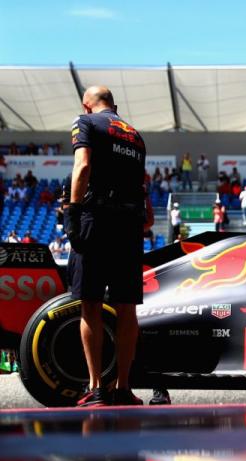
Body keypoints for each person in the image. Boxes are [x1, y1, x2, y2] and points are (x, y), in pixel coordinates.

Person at [65, 85, 147, 406]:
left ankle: (96, 387)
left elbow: (82, 165)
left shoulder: (85, 123)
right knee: (127, 308)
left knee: (91, 304)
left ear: (87, 106)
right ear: (115, 105)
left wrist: (72, 211)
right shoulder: (135, 134)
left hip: (96, 220)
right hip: (129, 225)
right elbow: (143, 185)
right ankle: (124, 388)